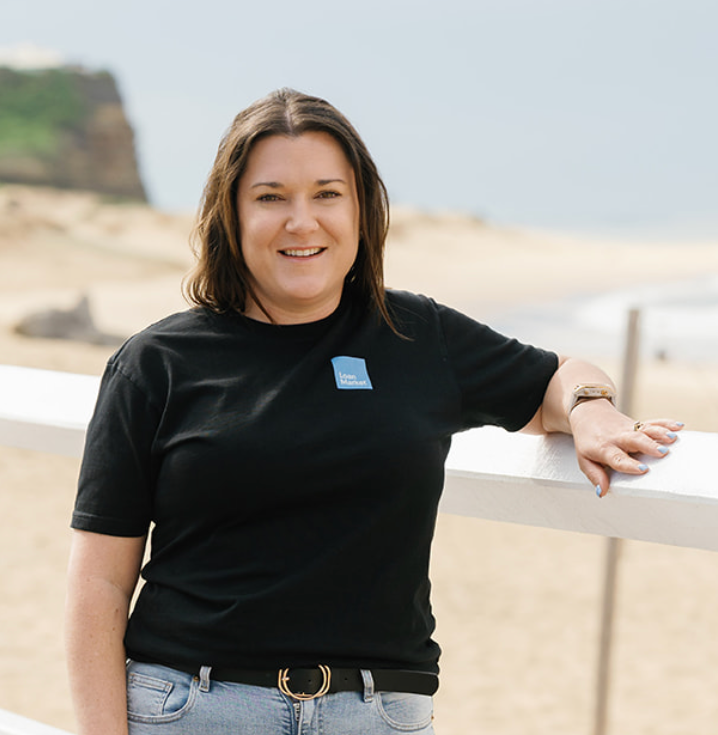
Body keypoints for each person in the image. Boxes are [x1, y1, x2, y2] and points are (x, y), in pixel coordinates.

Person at [65, 88, 683, 735]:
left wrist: (591, 411)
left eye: (327, 194)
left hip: (378, 713)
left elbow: (560, 375)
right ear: (232, 214)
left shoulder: (416, 336)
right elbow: (99, 587)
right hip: (196, 707)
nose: (302, 221)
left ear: (361, 209)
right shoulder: (156, 363)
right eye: (271, 197)